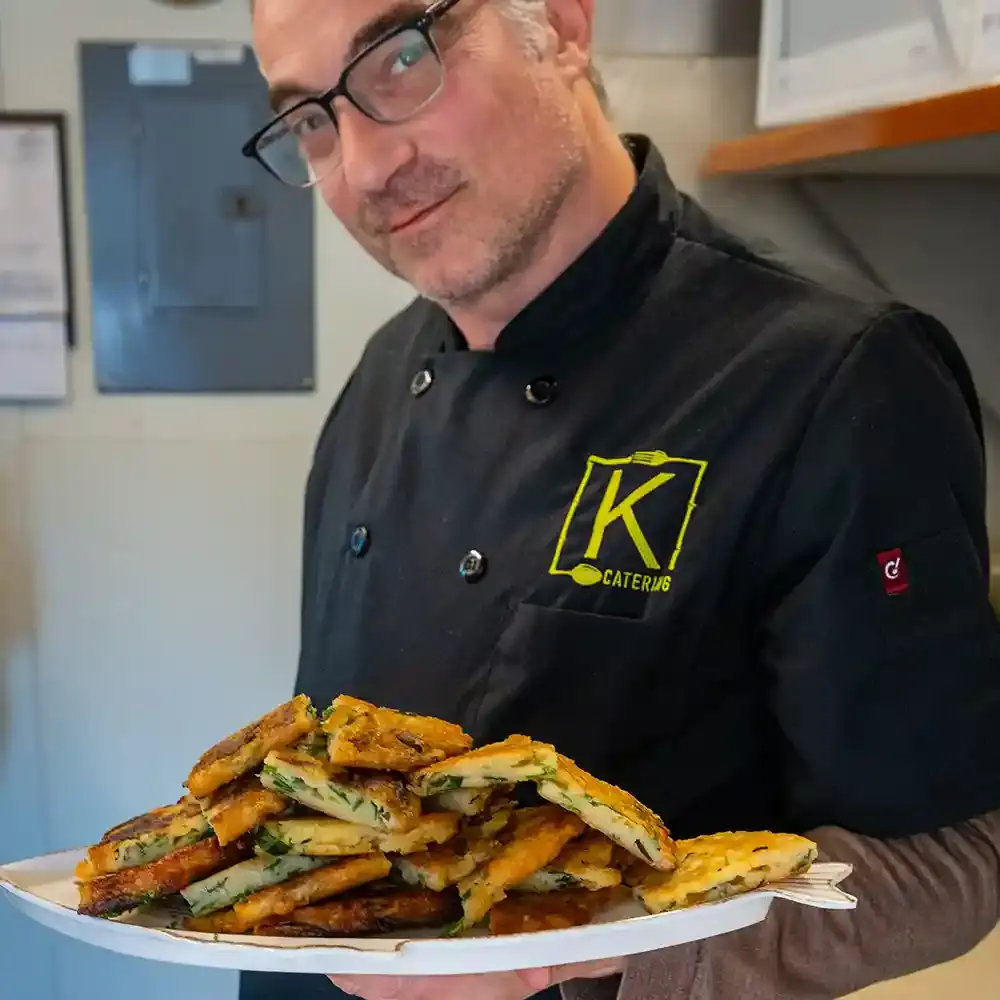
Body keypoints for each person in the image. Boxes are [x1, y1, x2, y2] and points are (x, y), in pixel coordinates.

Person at [241, 1, 1000, 998]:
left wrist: (574, 945)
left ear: (557, 21)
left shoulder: (831, 378)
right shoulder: (382, 376)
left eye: (400, 58)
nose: (365, 166)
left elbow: (956, 857)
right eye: (311, 119)